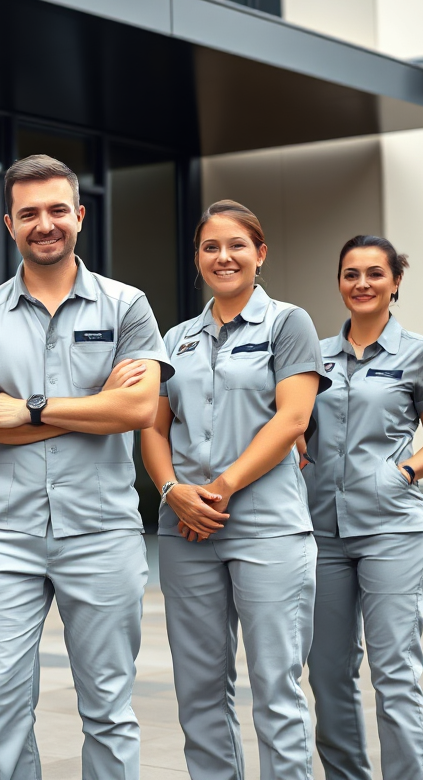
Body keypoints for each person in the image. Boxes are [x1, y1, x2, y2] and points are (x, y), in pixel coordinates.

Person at [0, 154, 170, 780]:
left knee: (108, 707)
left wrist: (27, 408)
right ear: (9, 224)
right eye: (29, 214)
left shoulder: (127, 305)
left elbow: (136, 408)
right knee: (1, 708)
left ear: (79, 215)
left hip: (101, 532)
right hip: (2, 535)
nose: (43, 224)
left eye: (56, 210)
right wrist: (94, 406)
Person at [140, 199, 327, 780]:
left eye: (237, 245)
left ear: (260, 253)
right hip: (185, 531)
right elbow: (152, 424)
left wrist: (216, 490)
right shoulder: (176, 338)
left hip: (267, 528)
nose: (224, 257)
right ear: (197, 260)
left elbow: (292, 420)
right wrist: (172, 491)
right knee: (198, 692)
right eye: (210, 247)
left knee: (276, 690)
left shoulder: (288, 323)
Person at [303, 236, 423, 780]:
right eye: (350, 274)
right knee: (327, 673)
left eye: (374, 273)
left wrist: (404, 472)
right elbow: (298, 428)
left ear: (395, 282)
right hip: (321, 533)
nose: (361, 284)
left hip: (392, 529)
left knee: (394, 673)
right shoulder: (314, 355)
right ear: (339, 282)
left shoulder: (419, 353)